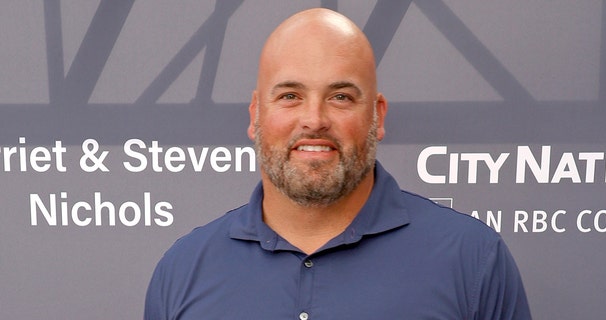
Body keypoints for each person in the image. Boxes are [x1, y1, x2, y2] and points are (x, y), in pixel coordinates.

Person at [144, 8, 531, 320]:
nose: (314, 119)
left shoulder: (474, 260)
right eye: (291, 96)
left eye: (341, 97)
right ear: (255, 114)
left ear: (377, 115)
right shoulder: (183, 270)